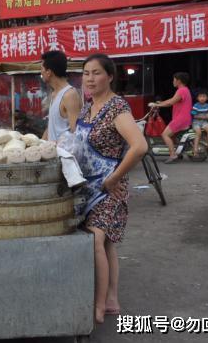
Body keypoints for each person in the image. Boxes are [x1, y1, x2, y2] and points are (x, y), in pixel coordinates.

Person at [75, 54, 147, 325]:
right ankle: (112, 297)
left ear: (110, 76)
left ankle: (98, 305)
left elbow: (139, 146)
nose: (90, 79)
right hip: (88, 186)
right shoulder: (87, 107)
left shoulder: (117, 107)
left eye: (96, 73)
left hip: (109, 187)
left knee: (95, 240)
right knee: (105, 243)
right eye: (86, 73)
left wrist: (114, 179)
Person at [150, 72, 192, 164]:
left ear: (179, 81)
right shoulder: (184, 90)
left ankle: (173, 155)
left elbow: (170, 102)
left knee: (165, 134)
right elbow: (171, 100)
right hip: (184, 118)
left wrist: (157, 105)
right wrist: (159, 104)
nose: (173, 81)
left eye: (174, 79)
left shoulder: (181, 90)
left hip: (181, 119)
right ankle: (178, 152)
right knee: (173, 136)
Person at [41, 50, 83, 141]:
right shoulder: (54, 93)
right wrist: (40, 143)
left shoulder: (70, 95)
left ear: (49, 72)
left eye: (42, 69)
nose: (41, 73)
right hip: (53, 154)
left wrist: (58, 146)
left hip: (64, 154)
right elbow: (52, 127)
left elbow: (76, 132)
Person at [191, 91, 208, 155]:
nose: (202, 98)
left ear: (207, 98)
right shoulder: (196, 105)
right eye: (200, 97)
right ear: (197, 98)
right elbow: (194, 115)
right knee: (198, 132)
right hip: (196, 122)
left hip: (204, 122)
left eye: (204, 96)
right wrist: (204, 117)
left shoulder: (207, 105)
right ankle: (195, 149)